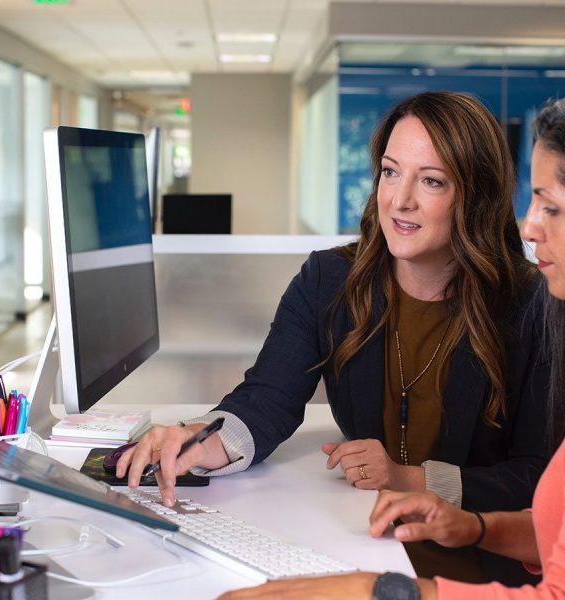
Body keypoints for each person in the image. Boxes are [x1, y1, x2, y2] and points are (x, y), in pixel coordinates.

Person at [118, 91, 549, 583]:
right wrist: (199, 441)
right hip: (366, 542)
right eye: (390, 172)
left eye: (431, 181)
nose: (399, 200)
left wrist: (412, 479)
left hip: (485, 561)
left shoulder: (531, 304)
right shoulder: (329, 280)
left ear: (476, 196)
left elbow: (538, 474)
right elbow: (266, 399)